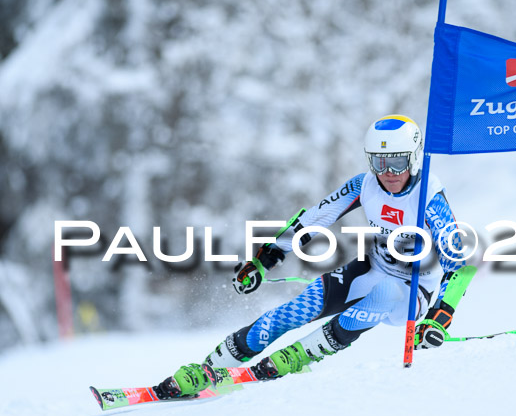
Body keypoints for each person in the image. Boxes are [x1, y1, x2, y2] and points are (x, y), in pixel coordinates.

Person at [154, 115, 473, 399]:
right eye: (378, 163)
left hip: (413, 289)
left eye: (398, 163)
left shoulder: (429, 195)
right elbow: (314, 219)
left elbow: (457, 267)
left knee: (384, 294)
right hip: (373, 267)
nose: (388, 173)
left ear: (414, 159)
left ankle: (297, 356)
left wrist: (439, 318)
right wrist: (265, 259)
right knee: (294, 311)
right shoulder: (364, 185)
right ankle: (211, 367)